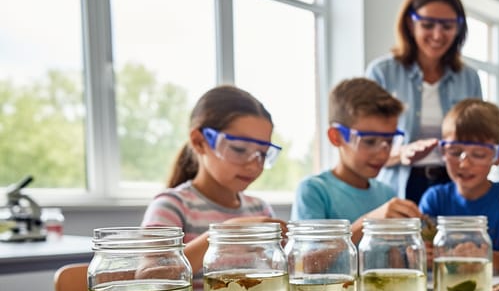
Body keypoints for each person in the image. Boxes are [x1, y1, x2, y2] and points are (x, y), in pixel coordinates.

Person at [141, 85, 285, 275]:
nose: (253, 165)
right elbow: (149, 275)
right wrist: (224, 235)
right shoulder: (172, 206)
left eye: (262, 154)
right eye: (240, 149)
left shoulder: (260, 209)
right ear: (199, 142)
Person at [366, 0, 483, 204]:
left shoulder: (469, 78)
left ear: (458, 28)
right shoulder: (382, 73)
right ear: (411, 24)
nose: (438, 35)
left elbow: (479, 138)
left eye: (447, 26)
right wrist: (401, 153)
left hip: (453, 185)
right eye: (428, 25)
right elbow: (366, 146)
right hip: (400, 185)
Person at [290, 78, 421, 244]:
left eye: (389, 141)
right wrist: (369, 223)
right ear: (336, 137)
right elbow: (307, 262)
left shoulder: (386, 194)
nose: (382, 153)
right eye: (369, 141)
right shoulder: (314, 191)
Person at [419, 99, 499, 272]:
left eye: (478, 154)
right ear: (442, 151)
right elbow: (422, 251)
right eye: (455, 152)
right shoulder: (434, 198)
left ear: (498, 157)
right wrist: (422, 255)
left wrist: (480, 258)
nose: (464, 164)